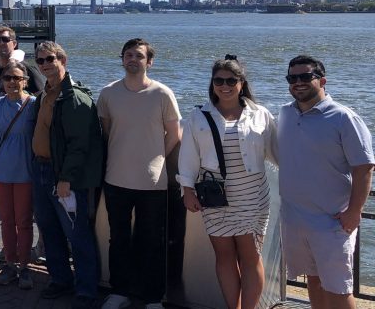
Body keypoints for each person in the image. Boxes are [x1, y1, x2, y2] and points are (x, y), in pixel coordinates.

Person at [178, 55, 277, 309]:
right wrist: (187, 190)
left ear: (241, 83)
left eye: (231, 80)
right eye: (219, 80)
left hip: (253, 196)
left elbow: (279, 154)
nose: (225, 85)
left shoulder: (260, 114)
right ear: (212, 84)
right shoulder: (198, 116)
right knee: (224, 257)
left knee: (250, 257)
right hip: (215, 197)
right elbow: (188, 157)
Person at [277, 55, 373, 309]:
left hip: (331, 222)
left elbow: (364, 168)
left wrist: (354, 212)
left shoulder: (343, 118)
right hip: (294, 219)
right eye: (292, 78)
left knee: (339, 289)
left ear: (322, 80)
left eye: (305, 77)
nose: (298, 82)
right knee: (314, 281)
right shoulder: (285, 113)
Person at [97, 38, 182, 309]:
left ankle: (152, 297)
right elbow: (107, 131)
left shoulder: (162, 93)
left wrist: (156, 159)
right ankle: (119, 291)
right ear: (122, 59)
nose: (133, 59)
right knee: (118, 238)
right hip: (116, 178)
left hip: (153, 182)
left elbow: (174, 133)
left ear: (149, 62)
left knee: (151, 241)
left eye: (139, 56)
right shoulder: (108, 93)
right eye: (129, 55)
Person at [29, 42, 104, 309]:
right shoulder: (45, 94)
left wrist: (66, 178)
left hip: (62, 175)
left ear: (63, 60)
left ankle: (86, 289)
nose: (45, 64)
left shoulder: (74, 99)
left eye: (50, 59)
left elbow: (79, 145)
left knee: (76, 233)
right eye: (40, 61)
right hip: (40, 169)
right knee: (49, 230)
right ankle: (60, 279)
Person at [0, 60, 36, 287]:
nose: (12, 82)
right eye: (8, 78)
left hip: (24, 171)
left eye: (17, 78)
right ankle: (10, 264)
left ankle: (25, 267)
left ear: (25, 81)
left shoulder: (33, 104)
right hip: (1, 170)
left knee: (24, 221)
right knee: (7, 220)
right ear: (2, 81)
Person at [0, 25, 44, 103]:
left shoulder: (26, 69)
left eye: (5, 39)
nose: (1, 43)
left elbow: (40, 95)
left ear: (14, 43)